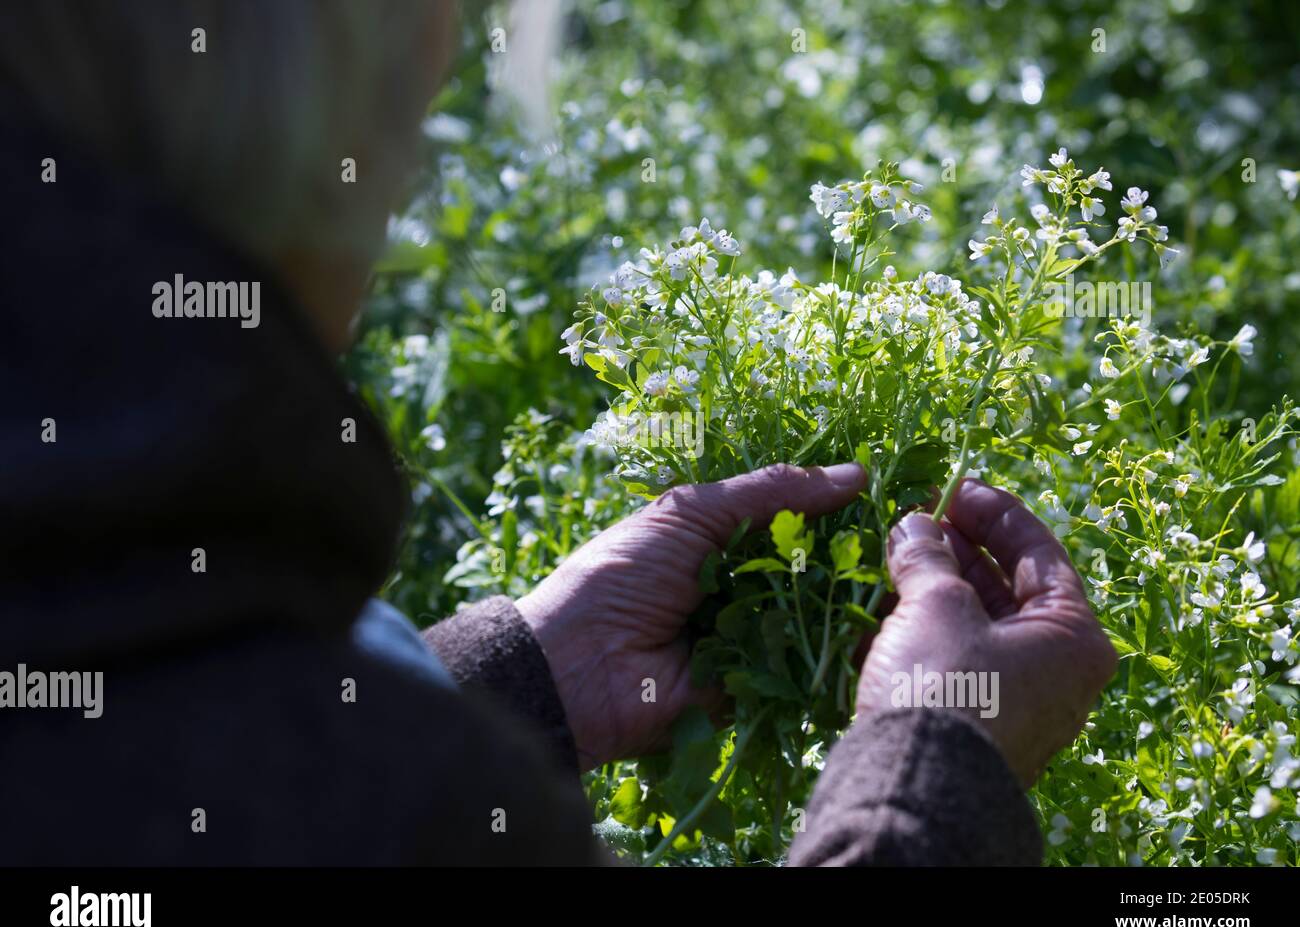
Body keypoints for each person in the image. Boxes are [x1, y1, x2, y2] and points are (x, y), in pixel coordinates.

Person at [0, 1, 1115, 865]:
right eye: (410, 105)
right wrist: (936, 761)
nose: (408, 178)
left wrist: (519, 678)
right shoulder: (377, 808)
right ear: (290, 124)